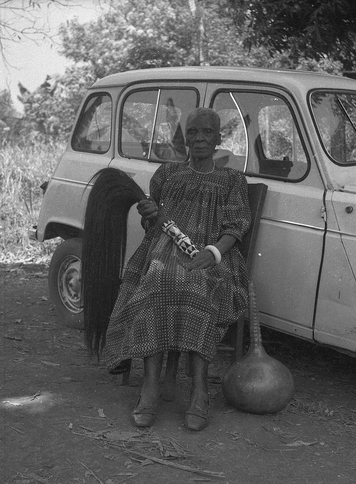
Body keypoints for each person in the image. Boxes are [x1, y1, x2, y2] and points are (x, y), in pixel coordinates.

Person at [103, 108, 251, 431]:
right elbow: (149, 223)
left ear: (218, 139)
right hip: (164, 250)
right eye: (192, 132)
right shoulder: (167, 174)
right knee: (158, 277)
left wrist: (212, 253)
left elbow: (236, 228)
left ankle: (199, 392)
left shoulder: (232, 180)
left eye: (206, 133)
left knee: (198, 283)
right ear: (185, 138)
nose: (198, 139)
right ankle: (151, 387)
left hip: (213, 256)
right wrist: (149, 212)